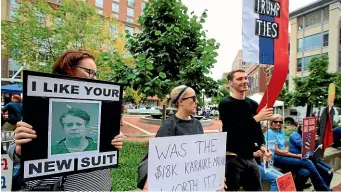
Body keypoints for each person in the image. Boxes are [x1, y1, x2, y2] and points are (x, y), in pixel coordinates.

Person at [8, 49, 123, 191]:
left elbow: (109, 144)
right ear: (68, 69)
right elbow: (14, 153)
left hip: (97, 186)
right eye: (89, 72)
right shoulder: (41, 104)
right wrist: (20, 147)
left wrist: (114, 140)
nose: (94, 78)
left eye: (96, 74)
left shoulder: (103, 106)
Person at [139, 85, 226, 191]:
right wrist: (148, 184)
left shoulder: (197, 124)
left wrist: (216, 176)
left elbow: (203, 158)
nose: (197, 102)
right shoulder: (169, 125)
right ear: (181, 101)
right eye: (193, 98)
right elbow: (157, 159)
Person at [218, 69, 273, 191]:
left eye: (245, 78)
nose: (244, 81)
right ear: (230, 83)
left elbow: (256, 130)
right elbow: (234, 131)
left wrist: (262, 146)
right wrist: (257, 117)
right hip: (233, 158)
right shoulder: (225, 104)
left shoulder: (252, 104)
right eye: (239, 79)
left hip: (250, 158)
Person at [267, 114, 330, 191]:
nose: (278, 123)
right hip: (276, 158)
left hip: (286, 155)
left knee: (305, 172)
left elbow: (286, 144)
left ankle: (297, 189)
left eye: (280, 122)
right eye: (275, 121)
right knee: (307, 162)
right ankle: (323, 189)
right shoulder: (270, 132)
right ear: (271, 122)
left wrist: (286, 150)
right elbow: (277, 151)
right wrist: (296, 155)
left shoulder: (281, 132)